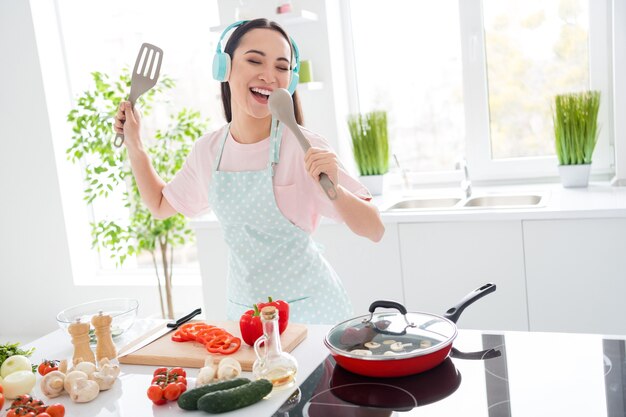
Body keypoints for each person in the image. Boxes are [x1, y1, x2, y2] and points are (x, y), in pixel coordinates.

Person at [114, 18, 385, 324]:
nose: (269, 75)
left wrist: (335, 188)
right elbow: (160, 205)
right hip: (246, 317)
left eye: (282, 67)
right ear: (224, 68)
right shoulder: (209, 151)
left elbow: (374, 229)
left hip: (311, 315)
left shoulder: (303, 146)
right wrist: (135, 146)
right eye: (255, 60)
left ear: (291, 81)